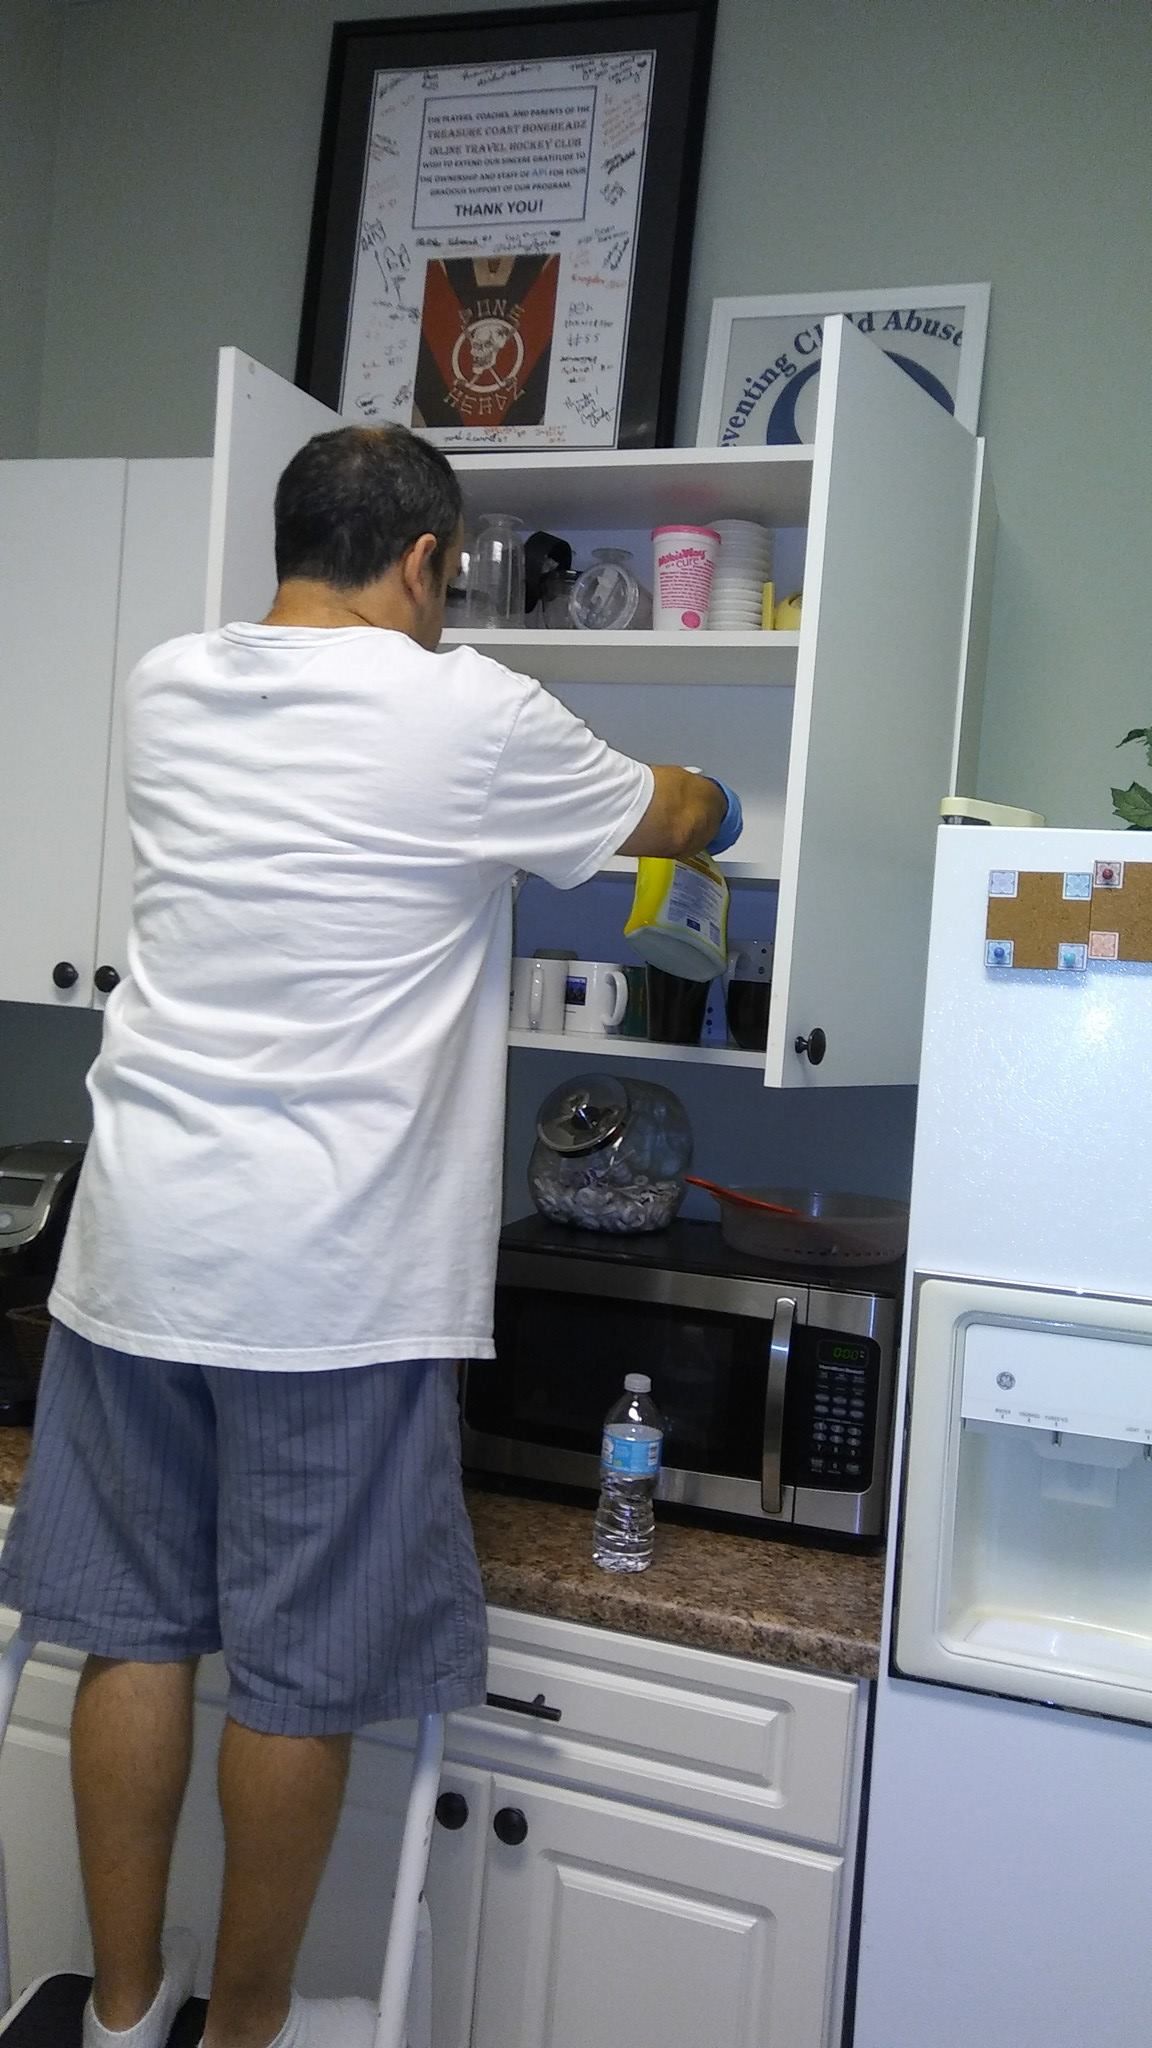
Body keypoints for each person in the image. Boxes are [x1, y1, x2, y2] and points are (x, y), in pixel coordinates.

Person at [0, 425, 742, 2048]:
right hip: (332, 1287)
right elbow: (675, 812)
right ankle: (251, 2035)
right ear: (426, 561)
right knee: (299, 1673)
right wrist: (717, 799)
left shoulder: (166, 684)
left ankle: (125, 2019)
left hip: (131, 1258)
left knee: (126, 1636)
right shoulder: (466, 712)